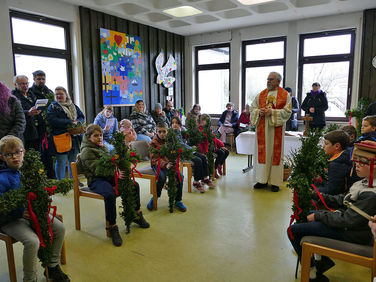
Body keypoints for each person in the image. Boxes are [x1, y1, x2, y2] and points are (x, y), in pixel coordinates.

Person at [288, 143, 376, 282]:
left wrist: (319, 215)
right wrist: (316, 195)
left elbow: (347, 221)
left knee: (293, 231)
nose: (356, 166)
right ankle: (320, 262)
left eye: (362, 163)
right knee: (303, 217)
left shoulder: (371, 195)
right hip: (351, 226)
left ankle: (313, 272)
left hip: (353, 233)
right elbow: (343, 200)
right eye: (356, 162)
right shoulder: (366, 183)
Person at [0, 135, 69, 282]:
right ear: (2, 157)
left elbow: (41, 188)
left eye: (18, 152)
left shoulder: (29, 171)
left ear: (23, 152)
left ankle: (52, 266)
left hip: (33, 213)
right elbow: (2, 206)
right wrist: (19, 212)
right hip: (10, 219)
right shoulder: (1, 178)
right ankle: (30, 279)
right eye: (9, 154)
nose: (14, 157)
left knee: (60, 228)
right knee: (32, 242)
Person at [79, 124, 149, 246]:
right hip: (96, 180)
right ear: (88, 137)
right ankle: (112, 226)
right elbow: (98, 169)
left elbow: (112, 162)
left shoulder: (103, 147)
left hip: (109, 176)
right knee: (110, 194)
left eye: (100, 135)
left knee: (133, 185)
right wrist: (116, 173)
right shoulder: (86, 151)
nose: (99, 138)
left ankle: (135, 214)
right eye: (96, 136)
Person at [250, 72, 292, 192]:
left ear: (278, 81)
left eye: (271, 79)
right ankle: (261, 180)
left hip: (275, 129)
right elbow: (253, 108)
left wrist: (272, 113)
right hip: (262, 129)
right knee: (262, 153)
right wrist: (259, 112)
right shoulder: (261, 94)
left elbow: (287, 112)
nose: (268, 81)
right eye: (268, 79)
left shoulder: (285, 95)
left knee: (275, 154)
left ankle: (274, 182)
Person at [47, 86, 85, 180]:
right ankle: (61, 183)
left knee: (73, 161)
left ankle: (74, 181)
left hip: (75, 137)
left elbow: (81, 117)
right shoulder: (53, 107)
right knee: (61, 161)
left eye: (61, 94)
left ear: (66, 94)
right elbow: (52, 120)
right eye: (57, 94)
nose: (59, 96)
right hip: (61, 137)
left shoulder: (73, 106)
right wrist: (69, 122)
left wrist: (78, 122)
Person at [148, 122, 186, 212]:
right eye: (159, 132)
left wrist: (176, 161)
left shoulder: (171, 141)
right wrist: (165, 165)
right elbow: (154, 159)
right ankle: (155, 198)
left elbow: (176, 153)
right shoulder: (153, 143)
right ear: (156, 132)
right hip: (158, 165)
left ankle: (178, 200)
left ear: (167, 131)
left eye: (164, 131)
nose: (162, 134)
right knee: (162, 177)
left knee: (180, 176)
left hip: (170, 164)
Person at [171, 116, 215, 193]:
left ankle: (205, 178)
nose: (174, 125)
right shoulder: (171, 133)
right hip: (180, 153)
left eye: (177, 123)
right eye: (173, 123)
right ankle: (196, 182)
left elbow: (183, 143)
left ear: (180, 124)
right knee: (198, 160)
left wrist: (190, 147)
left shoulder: (179, 131)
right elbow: (178, 146)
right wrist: (190, 148)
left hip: (186, 150)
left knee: (203, 157)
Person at [28, 70, 55, 179]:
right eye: (38, 79)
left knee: (49, 154)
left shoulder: (49, 92)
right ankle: (40, 177)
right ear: (34, 79)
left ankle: (51, 176)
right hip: (36, 127)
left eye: (43, 79)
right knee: (39, 153)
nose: (41, 81)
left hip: (48, 126)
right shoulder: (30, 92)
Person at [317, 130, 352, 195]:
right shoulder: (346, 155)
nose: (323, 146)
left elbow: (332, 190)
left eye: (326, 144)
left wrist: (314, 190)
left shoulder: (337, 164)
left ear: (337, 146)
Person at [12, 75, 42, 151]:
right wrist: (27, 113)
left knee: (36, 154)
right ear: (15, 84)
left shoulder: (31, 94)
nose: (25, 86)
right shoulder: (12, 96)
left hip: (36, 129)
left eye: (26, 83)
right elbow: (13, 112)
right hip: (23, 131)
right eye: (22, 84)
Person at [198, 114, 229, 179]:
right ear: (201, 121)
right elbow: (204, 141)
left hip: (213, 146)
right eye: (205, 121)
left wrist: (221, 145)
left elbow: (214, 138)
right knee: (221, 153)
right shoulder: (200, 129)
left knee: (226, 151)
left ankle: (219, 165)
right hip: (207, 148)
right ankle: (214, 169)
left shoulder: (208, 128)